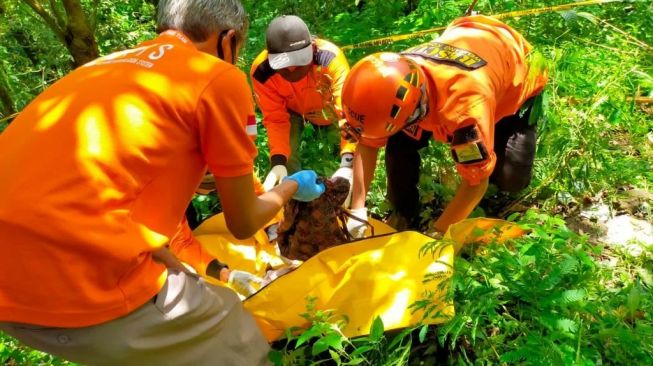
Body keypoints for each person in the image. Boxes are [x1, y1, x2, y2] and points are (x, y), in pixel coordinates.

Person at [0, 0, 325, 365]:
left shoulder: (102, 68)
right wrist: (293, 185)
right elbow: (244, 221)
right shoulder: (218, 76)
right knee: (234, 330)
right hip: (80, 278)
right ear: (227, 40)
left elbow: (104, 202)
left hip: (10, 289)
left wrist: (200, 269)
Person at [341, 15, 548, 237]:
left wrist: (438, 234)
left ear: (415, 110)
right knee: (399, 144)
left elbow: (475, 182)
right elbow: (368, 143)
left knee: (510, 177)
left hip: (515, 74)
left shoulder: (465, 108)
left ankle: (491, 201)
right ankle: (403, 209)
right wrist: (358, 209)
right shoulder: (394, 77)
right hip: (466, 44)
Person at [250, 15, 356, 196]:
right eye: (284, 63)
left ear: (312, 47)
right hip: (291, 109)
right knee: (287, 157)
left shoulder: (330, 59)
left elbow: (348, 113)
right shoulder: (262, 73)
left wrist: (348, 160)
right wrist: (278, 162)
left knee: (342, 153)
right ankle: (294, 197)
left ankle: (341, 191)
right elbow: (275, 119)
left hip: (328, 108)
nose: (291, 69)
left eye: (299, 60)